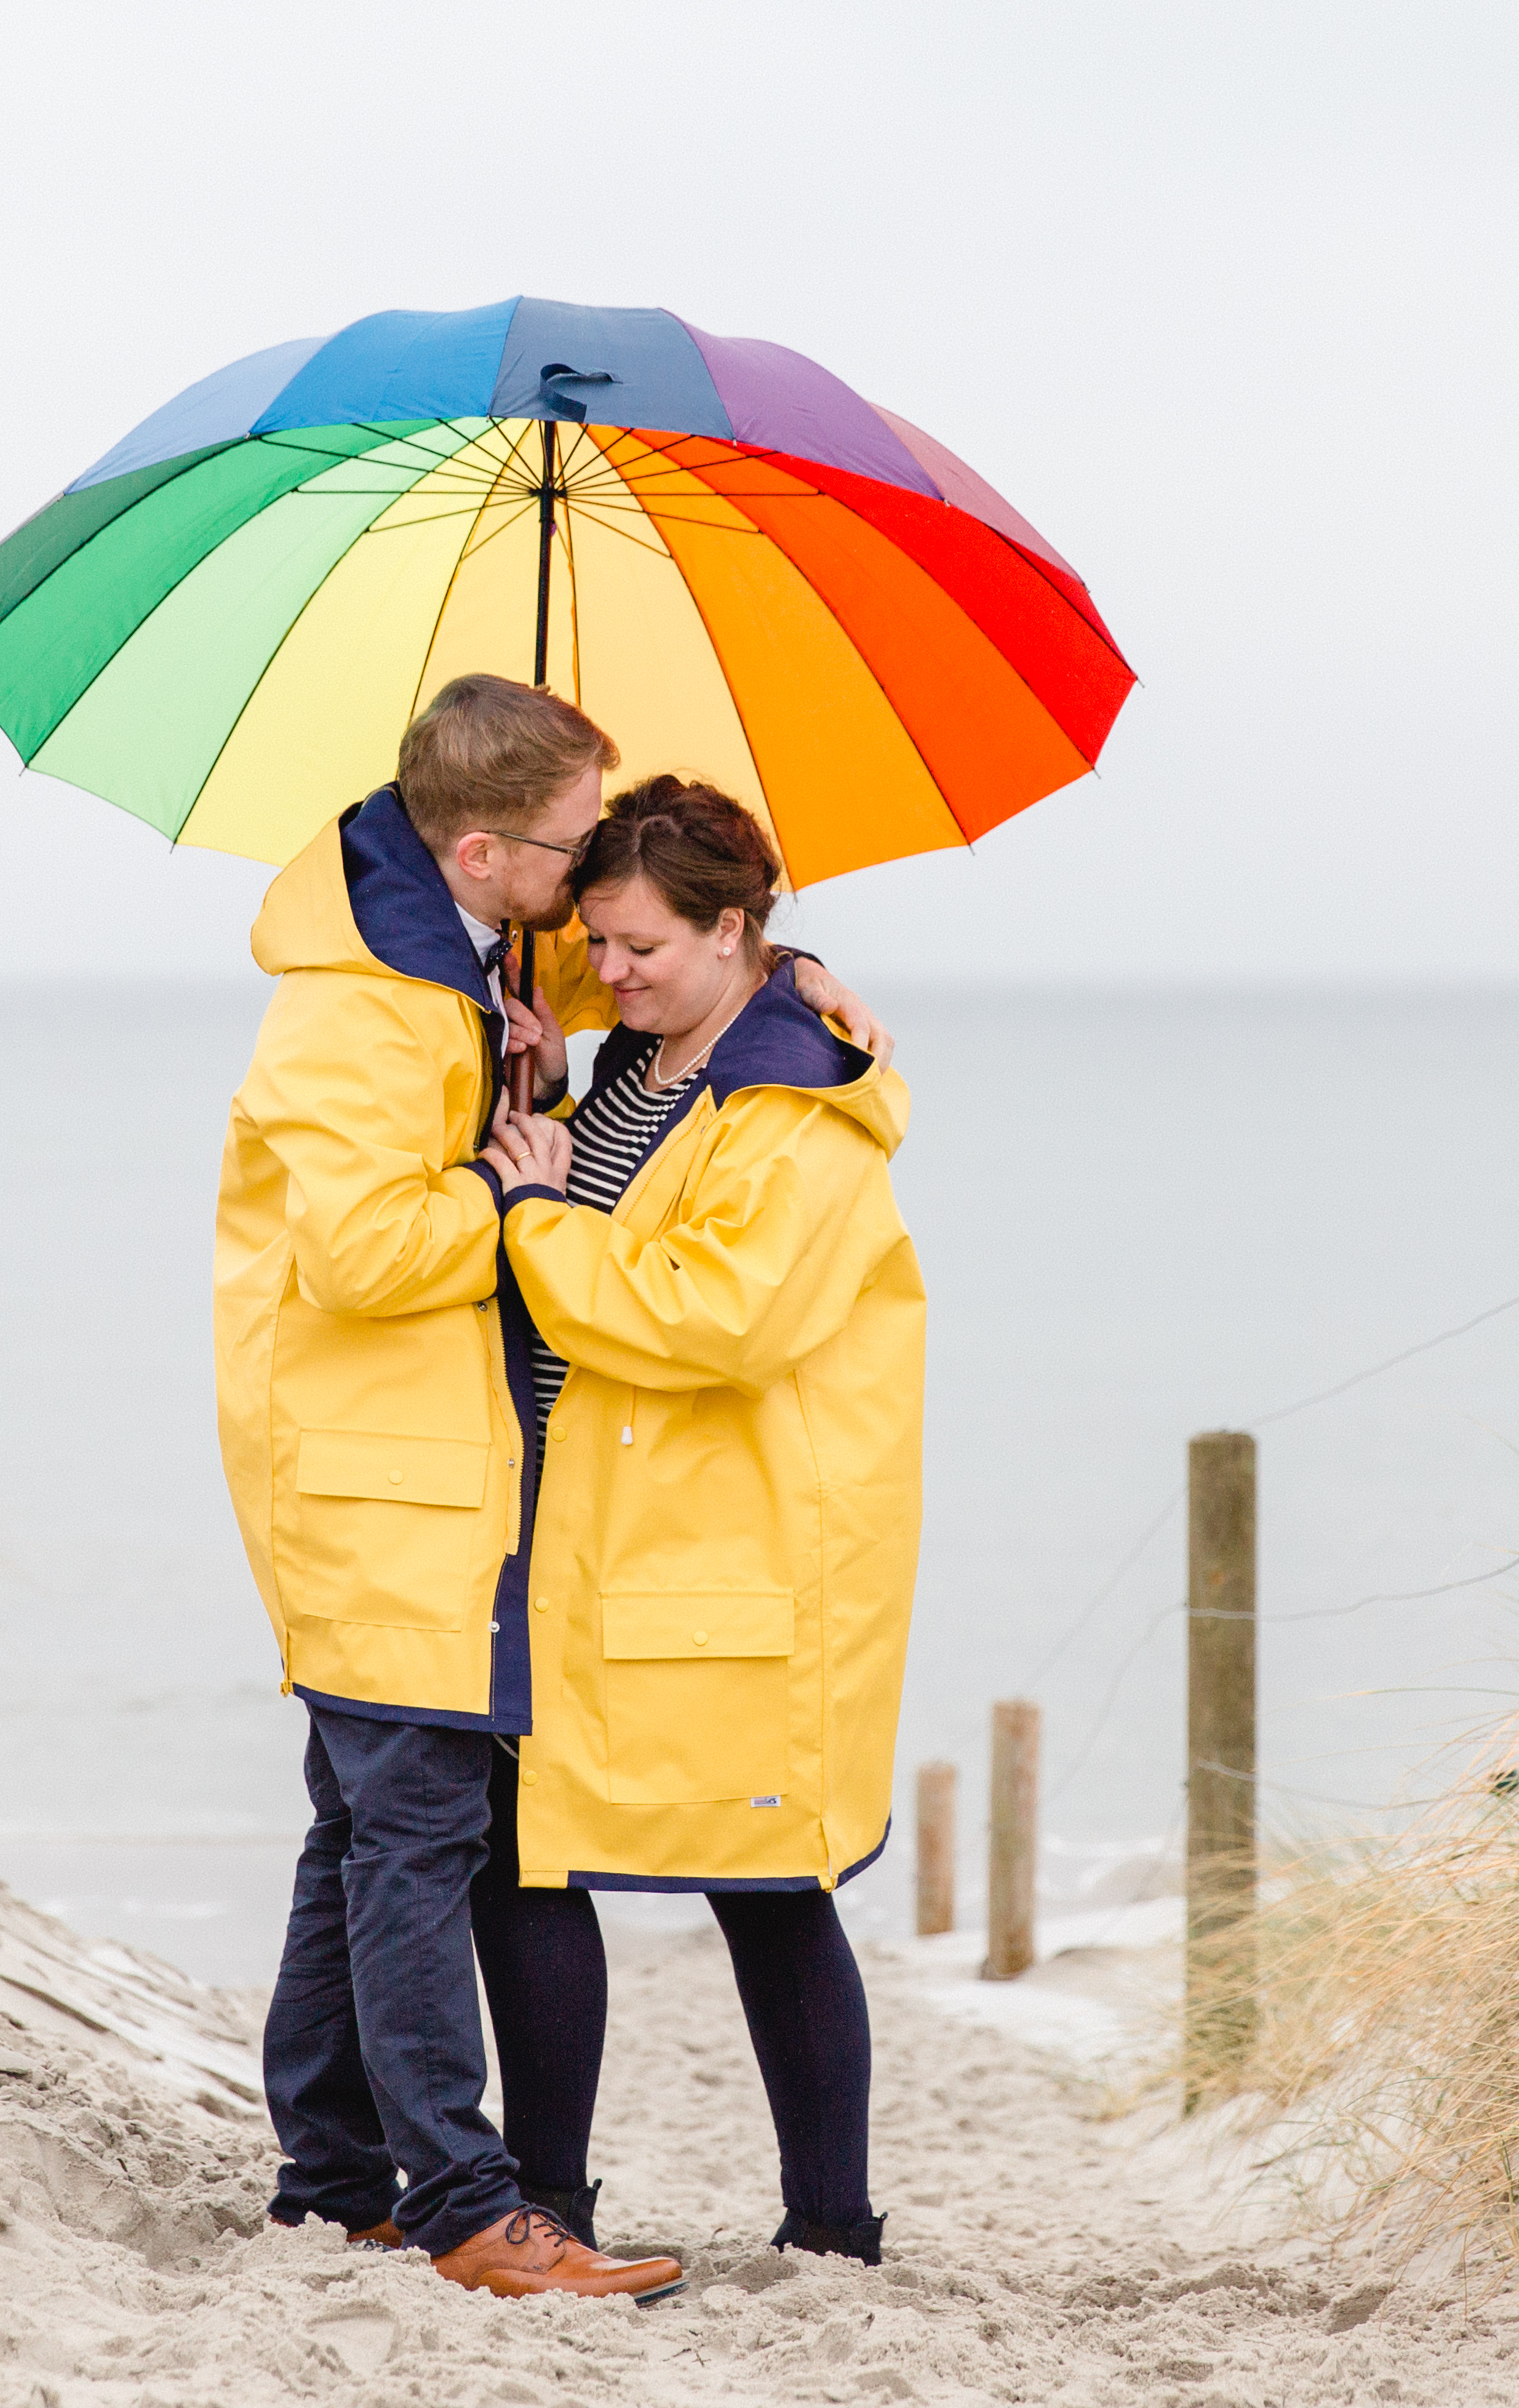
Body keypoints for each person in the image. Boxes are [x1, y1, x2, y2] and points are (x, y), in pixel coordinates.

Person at [215, 681, 884, 2299]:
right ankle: (464, 2199)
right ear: (480, 847)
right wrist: (508, 1184)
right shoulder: (367, 1002)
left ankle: (338, 2175)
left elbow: (678, 1043)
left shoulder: (467, 971)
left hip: (499, 1491)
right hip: (395, 1476)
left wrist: (545, 1069)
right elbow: (373, 1247)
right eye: (571, 854)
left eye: (629, 913)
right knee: (424, 1831)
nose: (595, 925)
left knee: (374, 1830)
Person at [480, 775, 922, 2267]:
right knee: (529, 1849)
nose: (609, 971)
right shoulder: (645, 1062)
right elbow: (617, 1200)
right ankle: (548, 2203)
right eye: (597, 941)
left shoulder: (798, 1113)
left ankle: (832, 2227)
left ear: (738, 930)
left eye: (640, 946)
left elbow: (710, 1317)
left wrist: (538, 1216)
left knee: (766, 1878)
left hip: (728, 1546)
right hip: (587, 1521)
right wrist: (546, 1081)